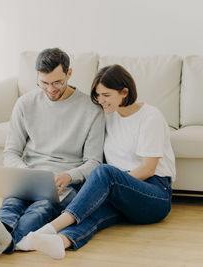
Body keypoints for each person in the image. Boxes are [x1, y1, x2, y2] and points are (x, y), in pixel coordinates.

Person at [25, 64, 175, 259]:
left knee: (105, 173)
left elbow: (148, 168)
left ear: (124, 92)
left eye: (106, 95)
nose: (100, 101)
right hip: (121, 192)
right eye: (97, 95)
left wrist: (112, 185)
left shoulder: (150, 117)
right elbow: (73, 118)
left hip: (154, 194)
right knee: (91, 213)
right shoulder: (108, 115)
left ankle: (50, 228)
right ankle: (60, 242)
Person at [0, 48, 106, 259]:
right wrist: (24, 172)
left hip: (64, 181)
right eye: (44, 83)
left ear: (69, 74)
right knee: (11, 203)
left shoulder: (91, 109)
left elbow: (94, 162)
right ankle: (2, 237)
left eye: (57, 83)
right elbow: (11, 152)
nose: (51, 89)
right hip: (29, 175)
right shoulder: (25, 103)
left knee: (41, 208)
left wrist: (69, 176)